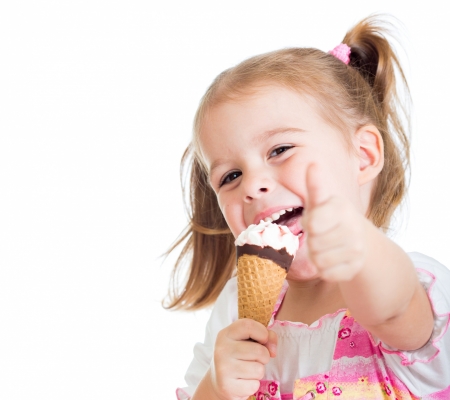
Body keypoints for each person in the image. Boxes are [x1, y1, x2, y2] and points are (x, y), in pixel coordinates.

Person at [166, 15, 450, 400]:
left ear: (363, 156)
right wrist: (215, 388)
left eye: (280, 150)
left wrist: (358, 247)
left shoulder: (407, 282)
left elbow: (394, 309)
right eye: (230, 176)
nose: (253, 184)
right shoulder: (235, 311)